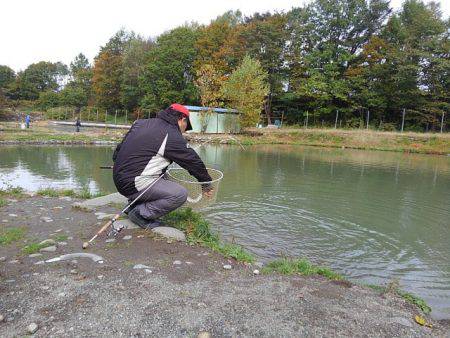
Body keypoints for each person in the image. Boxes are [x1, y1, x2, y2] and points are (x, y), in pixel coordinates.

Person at [112, 103, 213, 229]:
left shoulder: (140, 123)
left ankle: (134, 205)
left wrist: (123, 166)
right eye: (186, 126)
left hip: (119, 178)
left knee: (163, 175)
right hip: (133, 183)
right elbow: (193, 161)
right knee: (179, 194)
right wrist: (206, 183)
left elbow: (118, 150)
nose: (184, 130)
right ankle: (141, 214)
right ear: (182, 119)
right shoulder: (171, 135)